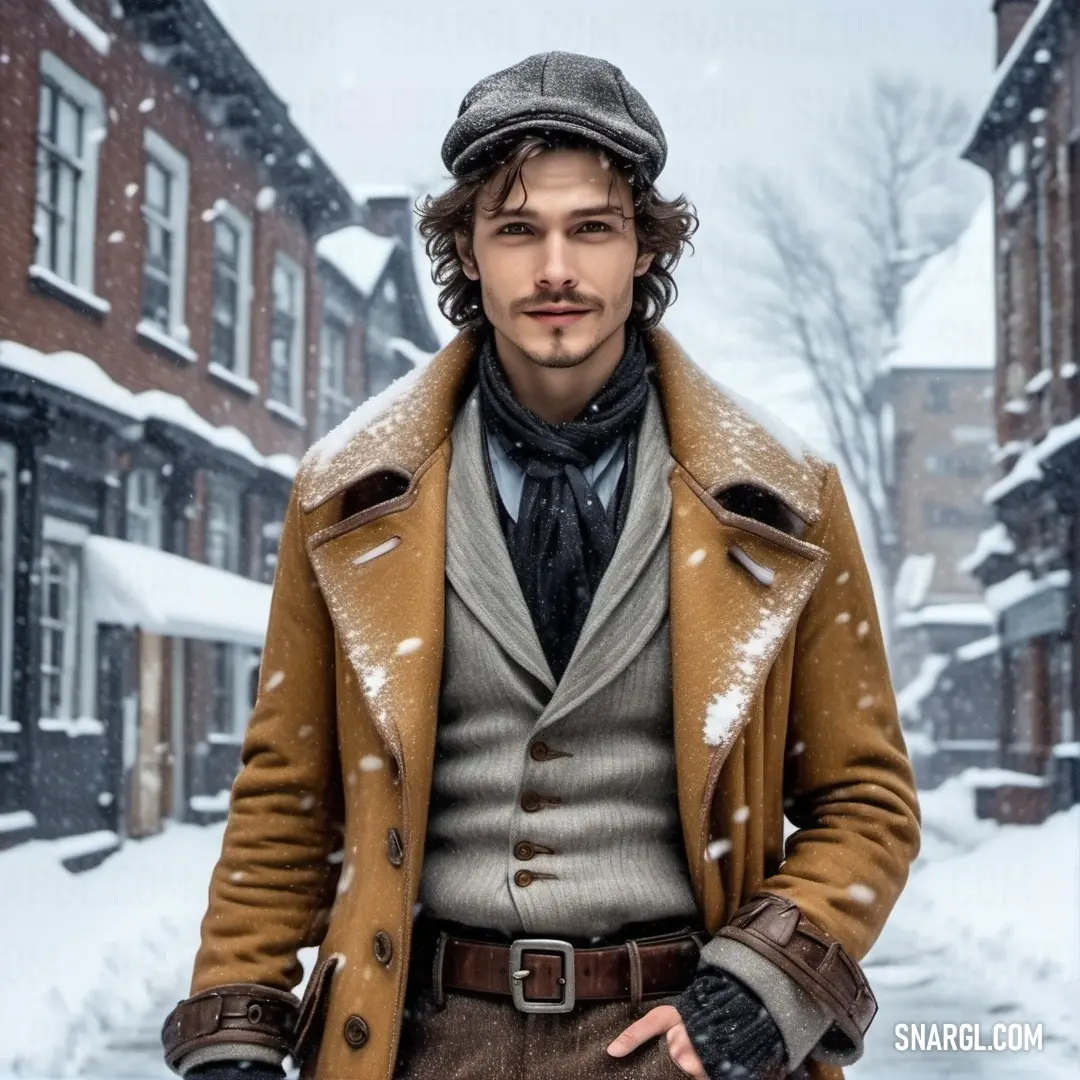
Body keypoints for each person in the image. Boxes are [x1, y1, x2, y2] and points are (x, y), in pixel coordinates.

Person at [161, 50, 920, 1080]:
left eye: (591, 228)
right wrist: (237, 1024)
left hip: (679, 1040)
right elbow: (287, 800)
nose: (555, 269)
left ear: (644, 250)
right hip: (421, 1041)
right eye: (517, 229)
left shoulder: (787, 499)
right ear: (467, 252)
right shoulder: (343, 492)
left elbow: (865, 801)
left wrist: (763, 985)